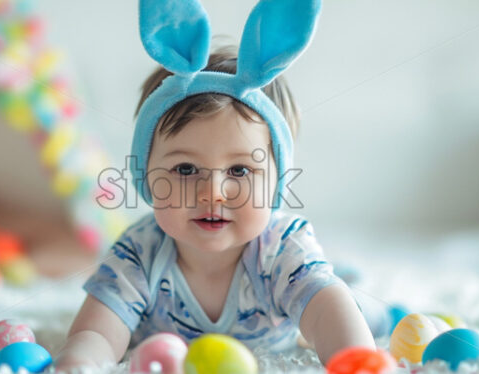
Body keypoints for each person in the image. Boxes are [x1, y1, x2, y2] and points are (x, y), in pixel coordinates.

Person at [56, 0, 374, 370]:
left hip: (303, 315)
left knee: (354, 310)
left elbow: (325, 311)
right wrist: (79, 362)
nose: (213, 192)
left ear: (275, 184)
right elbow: (95, 334)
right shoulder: (139, 254)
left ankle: (375, 305)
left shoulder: (282, 249)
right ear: (147, 176)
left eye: (240, 171)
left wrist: (356, 359)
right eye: (186, 169)